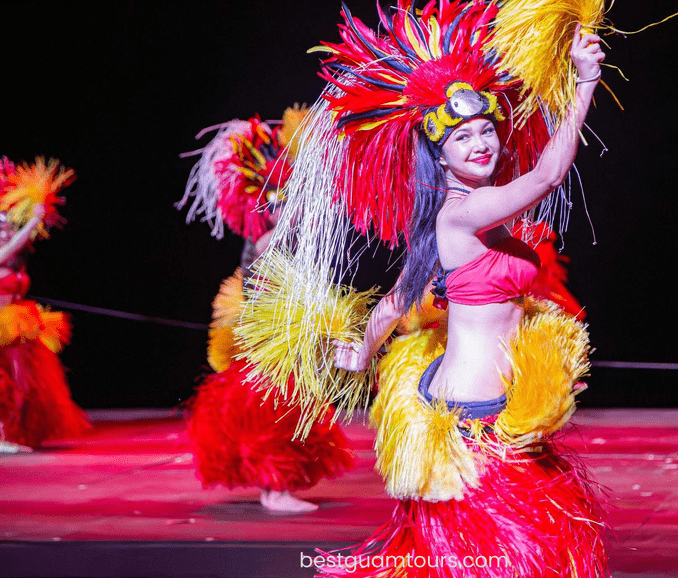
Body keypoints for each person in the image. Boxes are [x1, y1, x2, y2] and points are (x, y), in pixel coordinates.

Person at [240, 1, 610, 573]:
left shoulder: (465, 214)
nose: (481, 142)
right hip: (476, 416)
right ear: (439, 154)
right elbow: (548, 174)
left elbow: (397, 298)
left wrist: (361, 351)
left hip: (502, 406)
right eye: (463, 138)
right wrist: (585, 82)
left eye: (487, 129)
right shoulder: (462, 215)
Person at [178, 110, 353, 513]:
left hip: (280, 337)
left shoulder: (277, 235)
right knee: (275, 412)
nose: (288, 206)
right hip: (271, 340)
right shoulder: (269, 239)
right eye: (279, 199)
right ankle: (274, 491)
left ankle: (277, 488)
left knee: (288, 408)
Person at [0, 157, 88, 451]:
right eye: (0, 229)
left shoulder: (15, 263)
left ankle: (16, 434)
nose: (5, 233)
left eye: (8, 228)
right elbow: (15, 245)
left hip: (19, 328)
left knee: (26, 386)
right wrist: (35, 221)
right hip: (2, 329)